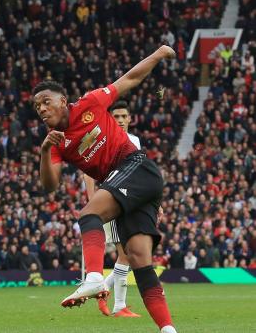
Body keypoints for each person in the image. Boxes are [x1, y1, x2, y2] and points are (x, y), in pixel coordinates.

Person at [35, 46, 177, 333]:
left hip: (136, 167)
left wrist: (159, 54)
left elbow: (130, 79)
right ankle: (168, 329)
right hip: (128, 185)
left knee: (89, 215)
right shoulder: (56, 141)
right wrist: (44, 151)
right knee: (138, 258)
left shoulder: (89, 103)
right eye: (37, 107)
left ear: (63, 101)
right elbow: (49, 186)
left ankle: (93, 279)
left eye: (46, 102)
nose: (41, 109)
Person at [83, 100, 141, 318]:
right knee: (126, 253)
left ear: (129, 118)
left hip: (132, 202)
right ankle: (118, 305)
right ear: (110, 119)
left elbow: (139, 173)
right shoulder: (102, 140)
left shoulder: (134, 141)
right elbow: (88, 172)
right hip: (113, 202)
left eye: (124, 117)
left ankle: (105, 294)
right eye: (116, 117)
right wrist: (92, 202)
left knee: (130, 254)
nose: (120, 121)